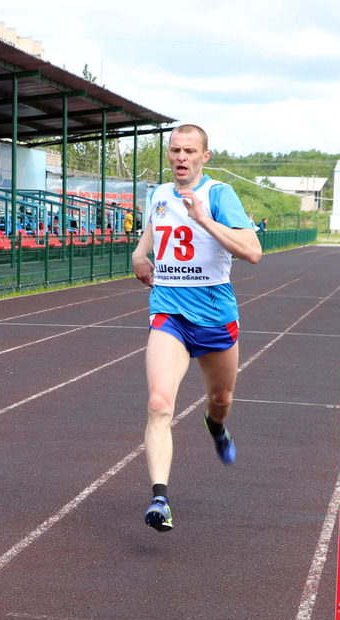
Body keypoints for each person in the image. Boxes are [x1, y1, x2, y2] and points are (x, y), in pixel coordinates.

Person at [130, 124, 262, 532]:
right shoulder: (158, 194)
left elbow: (252, 252)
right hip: (168, 310)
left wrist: (203, 219)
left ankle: (216, 426)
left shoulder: (219, 195)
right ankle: (159, 500)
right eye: (174, 150)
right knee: (158, 403)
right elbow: (152, 231)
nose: (181, 157)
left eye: (189, 151)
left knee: (220, 398)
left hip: (214, 313)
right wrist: (138, 253)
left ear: (204, 156)